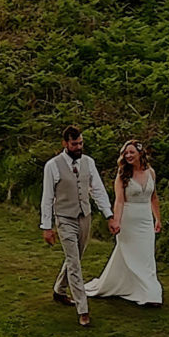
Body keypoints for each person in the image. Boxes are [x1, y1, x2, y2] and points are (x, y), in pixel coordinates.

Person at [39, 125, 113, 326]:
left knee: (76, 258)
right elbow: (47, 198)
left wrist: (109, 215)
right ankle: (83, 309)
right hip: (64, 218)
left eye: (81, 143)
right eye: (74, 144)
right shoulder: (52, 166)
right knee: (74, 263)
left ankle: (59, 290)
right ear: (65, 144)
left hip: (85, 217)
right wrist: (46, 227)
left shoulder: (89, 163)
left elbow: (97, 190)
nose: (79, 147)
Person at [88, 139, 165, 307]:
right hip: (129, 220)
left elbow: (153, 197)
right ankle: (150, 293)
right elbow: (120, 201)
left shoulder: (150, 172)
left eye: (131, 152)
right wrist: (116, 221)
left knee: (146, 256)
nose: (128, 155)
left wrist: (157, 218)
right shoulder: (123, 175)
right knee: (131, 255)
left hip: (145, 219)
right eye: (125, 153)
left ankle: (144, 289)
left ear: (140, 153)